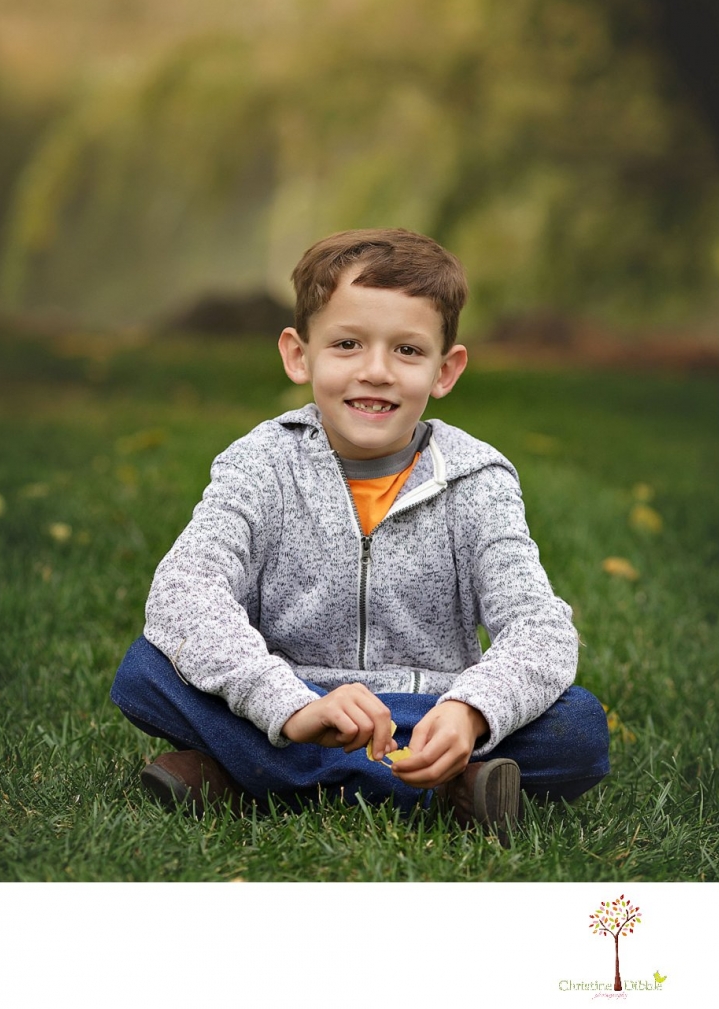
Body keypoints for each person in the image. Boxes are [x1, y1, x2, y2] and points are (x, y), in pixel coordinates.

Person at [111, 228, 609, 835]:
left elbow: (541, 628)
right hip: (291, 694)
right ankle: (447, 788)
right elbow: (185, 593)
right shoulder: (261, 463)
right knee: (146, 673)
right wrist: (290, 705)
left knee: (578, 727)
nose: (375, 371)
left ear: (445, 370)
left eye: (407, 350)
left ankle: (243, 775)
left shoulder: (477, 481)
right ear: (300, 355)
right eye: (347, 344)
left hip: (429, 709)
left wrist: (469, 712)